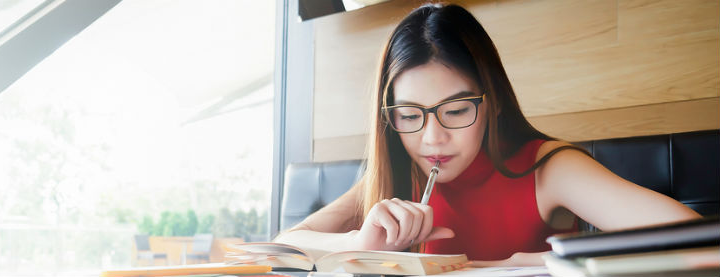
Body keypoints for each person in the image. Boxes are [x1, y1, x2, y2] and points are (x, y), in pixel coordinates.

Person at [273, 3, 701, 266]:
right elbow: (283, 245)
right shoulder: (399, 174)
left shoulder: (546, 168)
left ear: (491, 101)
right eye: (408, 116)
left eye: (456, 110)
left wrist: (560, 262)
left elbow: (696, 241)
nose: (432, 138)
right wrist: (360, 243)